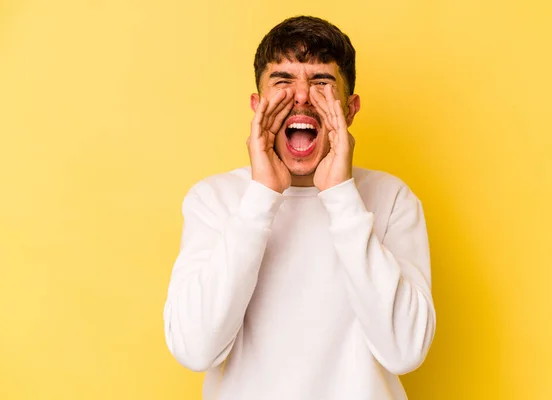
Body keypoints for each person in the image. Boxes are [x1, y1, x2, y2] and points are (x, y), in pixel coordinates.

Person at [163, 15, 436, 400]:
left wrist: (341, 195)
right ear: (257, 105)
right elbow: (194, 348)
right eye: (283, 81)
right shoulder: (214, 199)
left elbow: (404, 351)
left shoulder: (391, 199)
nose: (302, 97)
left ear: (350, 108)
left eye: (322, 82)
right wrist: (261, 197)